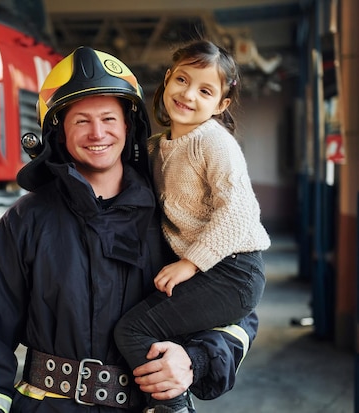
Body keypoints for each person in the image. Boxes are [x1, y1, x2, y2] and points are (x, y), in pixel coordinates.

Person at [0, 46, 258, 413]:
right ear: (59, 133)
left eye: (109, 119)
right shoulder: (26, 220)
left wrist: (193, 360)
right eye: (81, 120)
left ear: (128, 126)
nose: (98, 133)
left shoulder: (173, 216)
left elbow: (236, 309)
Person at [114, 40, 271, 413]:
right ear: (167, 80)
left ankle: (173, 406)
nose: (188, 94)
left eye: (205, 90)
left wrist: (190, 264)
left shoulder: (214, 143)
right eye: (182, 79)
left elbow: (239, 213)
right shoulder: (154, 147)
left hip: (234, 271)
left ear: (221, 105)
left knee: (132, 330)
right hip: (211, 271)